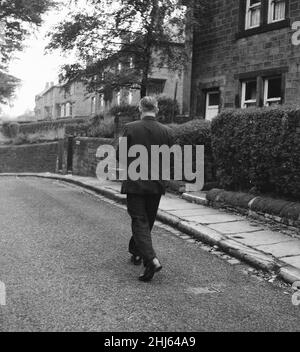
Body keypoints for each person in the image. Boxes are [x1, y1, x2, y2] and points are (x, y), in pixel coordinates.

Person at [117, 96, 174, 282]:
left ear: (140, 108)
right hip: (156, 184)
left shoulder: (130, 128)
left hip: (135, 182)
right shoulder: (167, 132)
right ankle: (136, 252)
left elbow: (120, 155)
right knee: (146, 222)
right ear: (156, 109)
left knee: (139, 221)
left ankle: (151, 259)